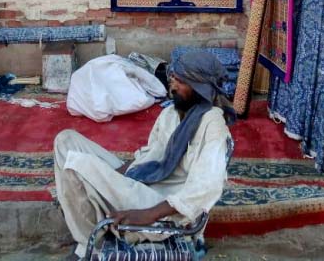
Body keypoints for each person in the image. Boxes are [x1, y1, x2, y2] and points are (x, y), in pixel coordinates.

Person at [54, 51, 236, 259]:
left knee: (75, 164)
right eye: (173, 79)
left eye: (181, 82)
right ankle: (101, 208)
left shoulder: (213, 125)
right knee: (66, 140)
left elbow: (206, 186)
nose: (172, 87)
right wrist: (109, 178)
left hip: (159, 204)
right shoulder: (170, 113)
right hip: (142, 182)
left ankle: (89, 245)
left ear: (200, 88)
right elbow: (148, 156)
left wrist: (147, 215)